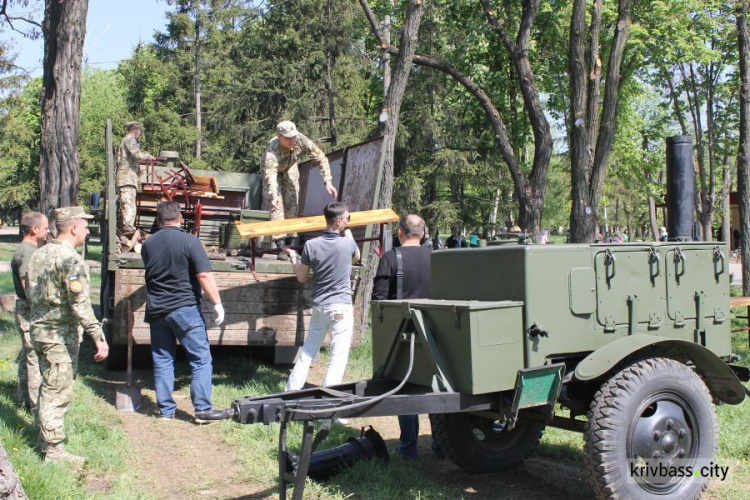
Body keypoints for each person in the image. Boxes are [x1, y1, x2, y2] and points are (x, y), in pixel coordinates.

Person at [26, 206, 109, 464]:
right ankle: (54, 451)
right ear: (73, 227)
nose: (87, 231)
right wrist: (98, 335)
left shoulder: (39, 254)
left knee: (49, 385)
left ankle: (44, 441)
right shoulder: (71, 260)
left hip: (39, 330)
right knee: (57, 391)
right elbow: (80, 303)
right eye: (85, 226)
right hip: (58, 335)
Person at [140, 201, 225, 422]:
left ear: (158, 220)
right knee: (200, 360)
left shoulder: (148, 245)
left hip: (157, 310)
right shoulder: (190, 241)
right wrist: (217, 303)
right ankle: (202, 410)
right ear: (180, 219)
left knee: (163, 360)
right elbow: (204, 275)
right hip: (185, 308)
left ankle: (166, 411)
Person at [372, 214, 443, 460]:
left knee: (406, 389)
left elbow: (379, 300)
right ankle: (440, 444)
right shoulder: (438, 259)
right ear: (422, 233)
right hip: (438, 331)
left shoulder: (390, 259)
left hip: (403, 333)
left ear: (400, 233)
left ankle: (408, 448)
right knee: (439, 389)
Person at [283, 202, 360, 393]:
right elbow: (356, 256)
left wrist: (293, 257)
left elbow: (301, 277)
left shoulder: (311, 245)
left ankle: (290, 391)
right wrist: (348, 232)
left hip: (320, 305)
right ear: (340, 221)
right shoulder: (348, 244)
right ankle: (329, 396)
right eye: (348, 219)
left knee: (308, 351)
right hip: (341, 306)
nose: (349, 221)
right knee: (338, 355)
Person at [260, 121, 337, 256]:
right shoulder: (271, 152)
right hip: (272, 172)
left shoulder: (301, 140)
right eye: (287, 138)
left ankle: (291, 242)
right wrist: (274, 194)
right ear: (279, 136)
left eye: (293, 136)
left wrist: (328, 181)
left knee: (292, 203)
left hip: (290, 168)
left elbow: (321, 158)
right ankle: (281, 245)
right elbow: (271, 175)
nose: (292, 140)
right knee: (277, 205)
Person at [11, 211, 49, 412]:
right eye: (45, 227)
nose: (48, 230)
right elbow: (29, 287)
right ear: (34, 229)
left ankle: (23, 399)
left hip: (26, 308)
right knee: (34, 357)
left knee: (27, 354)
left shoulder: (28, 249)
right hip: (29, 309)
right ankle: (36, 408)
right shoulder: (27, 252)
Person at [115, 121, 154, 250]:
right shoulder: (130, 140)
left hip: (128, 178)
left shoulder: (125, 141)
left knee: (128, 205)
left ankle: (126, 230)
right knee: (129, 206)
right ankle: (127, 230)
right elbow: (137, 154)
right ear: (135, 130)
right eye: (140, 132)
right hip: (127, 178)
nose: (140, 134)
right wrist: (148, 156)